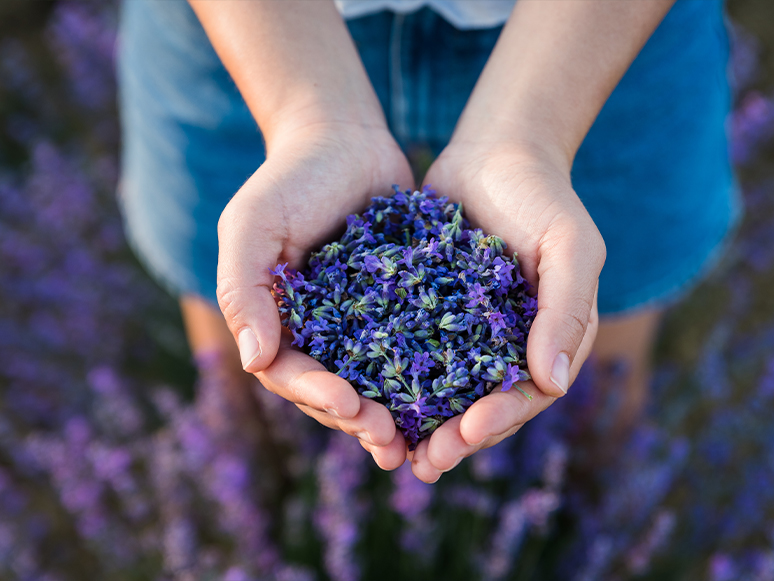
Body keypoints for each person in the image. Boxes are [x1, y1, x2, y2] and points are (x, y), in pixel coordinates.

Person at [118, 0, 738, 483]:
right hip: (256, 32)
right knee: (239, 372)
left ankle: (589, 535)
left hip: (594, 36)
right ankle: (251, 531)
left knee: (594, 380)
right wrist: (309, 123)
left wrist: (529, 138)